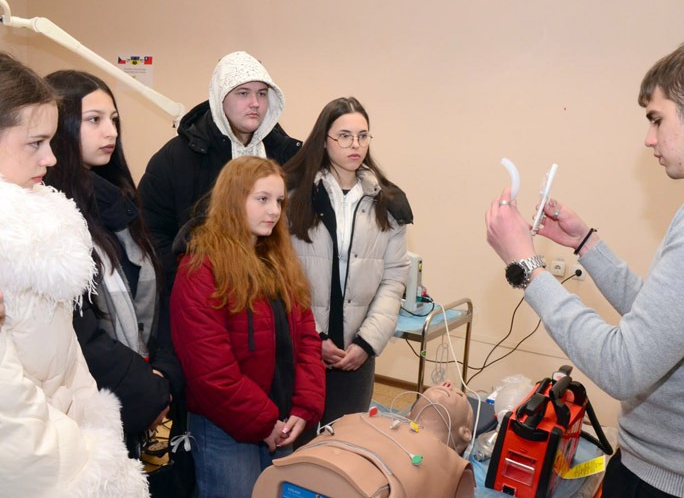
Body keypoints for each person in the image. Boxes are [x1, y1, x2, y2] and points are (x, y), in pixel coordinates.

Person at [485, 33, 684, 498]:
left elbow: (624, 365)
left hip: (675, 484)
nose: (649, 138)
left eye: (657, 119)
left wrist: (527, 268)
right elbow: (665, 321)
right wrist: (587, 244)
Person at [0, 52, 148, 496]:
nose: (49, 158)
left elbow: (68, 361)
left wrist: (99, 431)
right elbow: (11, 410)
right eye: (35, 142)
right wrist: (87, 460)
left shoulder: (42, 225)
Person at [44, 70, 183, 459]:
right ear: (59, 126)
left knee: (157, 477)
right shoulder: (52, 215)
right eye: (94, 120)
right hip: (98, 401)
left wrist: (165, 374)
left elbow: (157, 297)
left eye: (114, 119)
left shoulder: (120, 200)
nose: (111, 132)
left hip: (152, 384)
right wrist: (147, 389)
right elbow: (80, 331)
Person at [170, 156, 325, 497]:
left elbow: (307, 338)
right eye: (262, 199)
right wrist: (264, 421)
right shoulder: (201, 267)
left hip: (282, 421)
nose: (274, 211)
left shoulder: (279, 261)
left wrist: (304, 406)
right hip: (225, 427)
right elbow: (210, 368)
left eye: (279, 201)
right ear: (233, 199)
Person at [139, 51, 302, 346]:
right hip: (201, 307)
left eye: (262, 93)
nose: (255, 103)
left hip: (266, 309)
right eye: (243, 93)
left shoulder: (285, 156)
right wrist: (195, 285)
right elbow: (151, 234)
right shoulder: (174, 159)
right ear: (219, 98)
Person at [284, 96, 412, 432]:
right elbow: (282, 274)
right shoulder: (294, 195)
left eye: (362, 136)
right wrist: (314, 337)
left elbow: (394, 278)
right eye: (344, 136)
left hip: (356, 353)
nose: (355, 144)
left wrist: (367, 343)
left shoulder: (387, 201)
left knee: (346, 443)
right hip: (303, 347)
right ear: (324, 140)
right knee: (299, 445)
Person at [252, 381, 476, 497]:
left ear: (465, 433)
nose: (447, 383)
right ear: (408, 415)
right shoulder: (366, 418)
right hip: (303, 464)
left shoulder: (453, 466)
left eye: (458, 394)